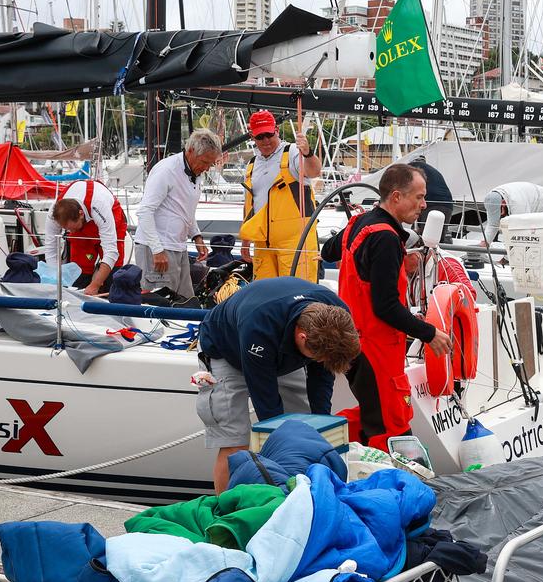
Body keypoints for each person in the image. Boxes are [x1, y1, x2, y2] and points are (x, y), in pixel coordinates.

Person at [320, 164, 453, 448]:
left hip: (353, 341)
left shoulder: (359, 223)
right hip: (376, 349)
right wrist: (429, 333)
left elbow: (328, 251)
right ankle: (392, 485)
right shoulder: (385, 239)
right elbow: (385, 306)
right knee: (390, 424)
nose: (424, 204)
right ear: (396, 197)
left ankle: (332, 454)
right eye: (418, 197)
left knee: (371, 416)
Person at [196, 277, 361, 493]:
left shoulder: (337, 315)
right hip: (226, 351)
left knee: (306, 433)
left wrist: (320, 423)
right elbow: (266, 403)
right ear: (302, 337)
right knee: (235, 442)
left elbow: (322, 376)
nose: (320, 363)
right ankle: (225, 510)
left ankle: (301, 500)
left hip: (282, 354)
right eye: (317, 358)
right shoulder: (259, 325)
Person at [133, 129, 222, 299]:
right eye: (204, 162)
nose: (206, 168)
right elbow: (145, 211)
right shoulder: (166, 170)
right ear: (190, 151)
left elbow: (183, 209)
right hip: (158, 248)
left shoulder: (196, 173)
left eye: (210, 164)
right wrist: (157, 250)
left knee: (186, 300)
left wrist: (196, 235)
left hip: (178, 247)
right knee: (160, 303)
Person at [240, 110, 323, 282]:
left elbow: (314, 172)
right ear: (252, 137)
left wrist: (307, 153)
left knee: (298, 292)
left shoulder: (292, 152)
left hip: (296, 241)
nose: (266, 140)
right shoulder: (252, 164)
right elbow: (249, 204)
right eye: (260, 136)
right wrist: (245, 241)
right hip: (263, 242)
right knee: (265, 295)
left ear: (276, 130)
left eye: (269, 134)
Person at [42, 179, 128, 296]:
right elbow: (51, 249)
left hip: (112, 220)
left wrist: (95, 285)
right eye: (67, 229)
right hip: (81, 229)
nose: (70, 232)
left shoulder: (99, 205)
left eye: (72, 228)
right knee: (79, 273)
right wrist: (55, 280)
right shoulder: (54, 214)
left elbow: (111, 253)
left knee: (112, 276)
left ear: (81, 214)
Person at [478, 181, 543, 245]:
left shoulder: (517, 204)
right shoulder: (491, 199)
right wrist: (485, 242)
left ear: (503, 203)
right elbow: (492, 224)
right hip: (528, 199)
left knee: (541, 239)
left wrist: (506, 258)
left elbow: (520, 234)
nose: (501, 216)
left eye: (501, 213)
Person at [410, 155, 454, 241]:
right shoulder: (433, 171)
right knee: (438, 240)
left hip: (431, 204)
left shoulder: (413, 169)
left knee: (424, 240)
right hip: (448, 205)